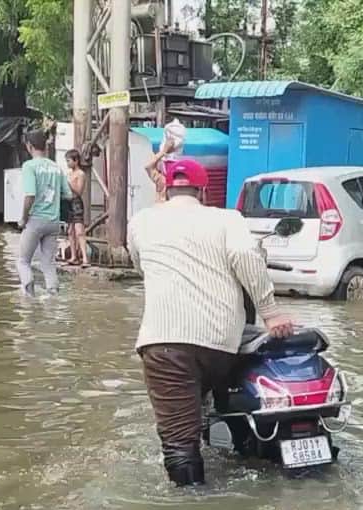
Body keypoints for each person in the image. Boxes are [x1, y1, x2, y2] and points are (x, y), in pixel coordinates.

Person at [127, 158, 295, 487]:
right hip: (221, 342)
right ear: (203, 191)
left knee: (179, 443)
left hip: (165, 346)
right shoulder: (227, 219)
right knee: (234, 398)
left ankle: (191, 504)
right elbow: (247, 257)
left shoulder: (141, 221)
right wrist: (271, 312)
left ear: (166, 190)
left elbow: (139, 264)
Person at [18, 129, 73, 295]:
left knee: (23, 261)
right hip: (53, 222)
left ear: (29, 146)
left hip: (35, 220)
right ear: (45, 146)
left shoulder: (29, 166)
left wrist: (23, 218)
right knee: (48, 263)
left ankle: (29, 296)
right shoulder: (56, 168)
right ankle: (53, 296)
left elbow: (30, 195)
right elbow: (68, 195)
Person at [64, 149, 89, 267]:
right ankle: (74, 256)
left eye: (69, 161)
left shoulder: (81, 174)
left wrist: (69, 184)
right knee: (70, 231)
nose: (67, 163)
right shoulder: (69, 174)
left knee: (79, 231)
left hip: (76, 202)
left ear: (76, 160)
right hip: (68, 202)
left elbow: (79, 191)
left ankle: (85, 258)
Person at [145, 136, 178, 202]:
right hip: (161, 205)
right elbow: (148, 166)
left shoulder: (178, 179)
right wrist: (163, 151)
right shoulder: (161, 178)